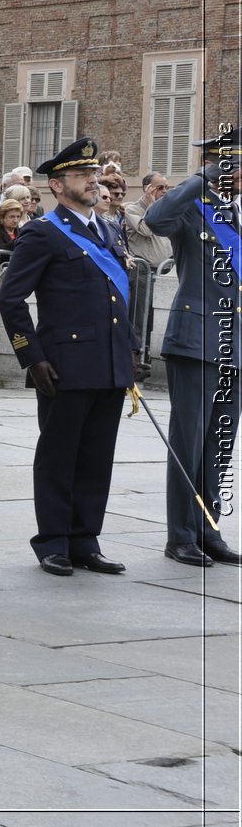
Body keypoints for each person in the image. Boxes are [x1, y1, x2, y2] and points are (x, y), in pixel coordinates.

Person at [0, 137, 136, 577]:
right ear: (58, 186)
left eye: (94, 174)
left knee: (97, 456)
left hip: (109, 362)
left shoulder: (109, 230)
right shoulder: (42, 232)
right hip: (64, 362)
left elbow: (115, 300)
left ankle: (84, 540)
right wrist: (31, 356)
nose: (94, 181)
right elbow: (11, 299)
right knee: (59, 456)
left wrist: (128, 354)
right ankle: (53, 541)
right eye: (82, 175)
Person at [143, 131, 242, 567]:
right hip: (198, 340)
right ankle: (179, 533)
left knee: (220, 443)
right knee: (189, 441)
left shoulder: (233, 214)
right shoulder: (192, 209)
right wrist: (201, 178)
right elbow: (156, 220)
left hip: (234, 344)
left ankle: (208, 528)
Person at [123, 172, 173, 266]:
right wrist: (151, 204)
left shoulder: (164, 209)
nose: (164, 191)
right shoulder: (131, 210)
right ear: (147, 189)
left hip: (165, 268)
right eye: (160, 188)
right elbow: (146, 231)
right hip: (143, 269)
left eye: (166, 187)